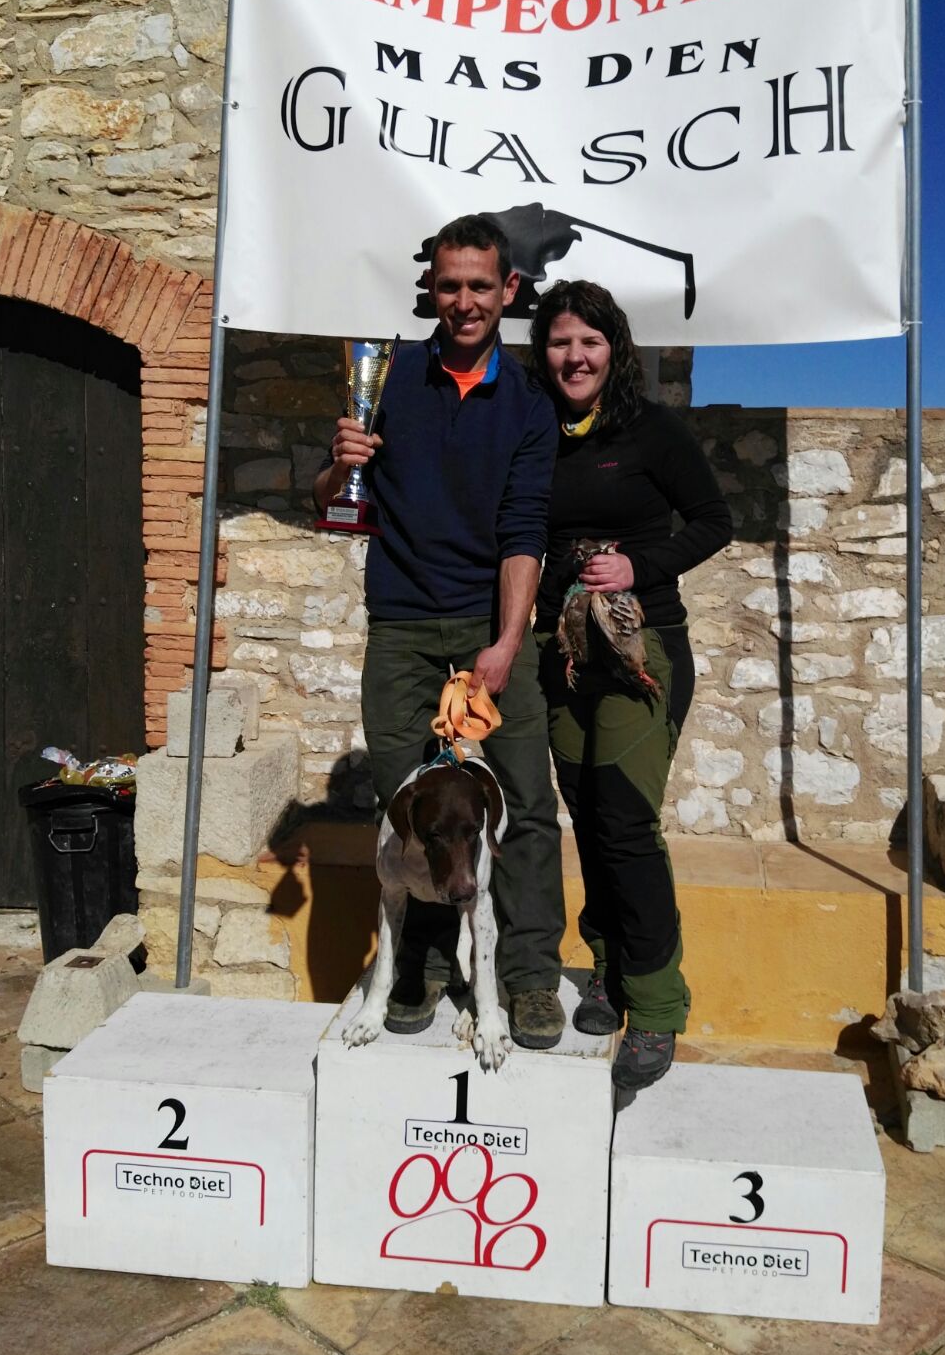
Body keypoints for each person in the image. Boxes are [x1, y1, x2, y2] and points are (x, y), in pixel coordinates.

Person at [314, 215, 566, 1049]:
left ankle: (529, 976)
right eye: (450, 285)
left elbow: (524, 531)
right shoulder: (388, 378)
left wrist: (506, 642)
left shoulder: (528, 403)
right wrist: (340, 463)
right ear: (432, 288)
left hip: (487, 627)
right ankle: (420, 962)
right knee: (407, 811)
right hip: (401, 628)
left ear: (508, 290)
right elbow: (327, 503)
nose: (465, 302)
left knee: (523, 803)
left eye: (480, 286)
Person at [530, 280, 732, 1090]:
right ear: (542, 352)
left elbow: (714, 521)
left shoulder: (652, 430)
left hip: (642, 651)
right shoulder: (534, 431)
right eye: (559, 342)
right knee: (588, 817)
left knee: (624, 822)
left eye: (590, 342)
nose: (575, 357)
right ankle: (609, 973)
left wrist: (638, 566)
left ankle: (655, 1004)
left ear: (615, 350)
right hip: (560, 652)